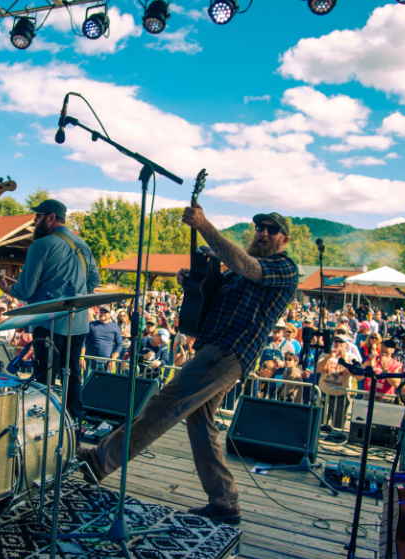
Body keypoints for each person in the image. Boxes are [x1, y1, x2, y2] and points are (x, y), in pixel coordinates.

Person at [79, 210, 298, 526]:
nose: (262, 232)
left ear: (284, 239)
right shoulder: (238, 274)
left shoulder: (284, 267)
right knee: (201, 424)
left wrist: (205, 226)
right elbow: (212, 301)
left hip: (224, 353)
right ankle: (224, 502)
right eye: (259, 227)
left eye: (271, 229)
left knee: (161, 408)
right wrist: (193, 284)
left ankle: (99, 462)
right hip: (217, 352)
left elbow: (244, 264)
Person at [0, 199, 100, 430]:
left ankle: (41, 427)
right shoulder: (81, 244)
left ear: (50, 218)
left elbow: (25, 290)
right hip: (79, 323)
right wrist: (74, 295)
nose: (35, 221)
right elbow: (94, 280)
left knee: (44, 377)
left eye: (38, 217)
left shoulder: (41, 245)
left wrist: (7, 289)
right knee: (73, 376)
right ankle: (75, 426)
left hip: (49, 323)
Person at [316, 336, 353, 429]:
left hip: (341, 396)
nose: (338, 343)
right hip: (324, 394)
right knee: (319, 423)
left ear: (346, 345)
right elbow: (318, 369)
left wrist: (344, 360)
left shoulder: (350, 356)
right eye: (336, 341)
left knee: (338, 426)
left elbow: (353, 373)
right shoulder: (325, 354)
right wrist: (328, 357)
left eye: (341, 342)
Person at [81, 305, 123, 373]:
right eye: (101, 311)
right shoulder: (92, 325)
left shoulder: (115, 327)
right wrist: (82, 357)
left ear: (109, 314)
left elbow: (119, 345)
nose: (102, 313)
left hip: (106, 363)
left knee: (103, 383)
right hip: (91, 361)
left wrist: (113, 359)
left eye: (105, 312)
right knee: (88, 383)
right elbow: (84, 342)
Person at [362, 338, 402, 402]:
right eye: (383, 346)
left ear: (393, 350)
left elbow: (396, 384)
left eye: (387, 347)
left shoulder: (396, 365)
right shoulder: (371, 360)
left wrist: (385, 370)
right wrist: (370, 368)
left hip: (385, 399)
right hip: (369, 397)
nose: (384, 349)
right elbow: (358, 377)